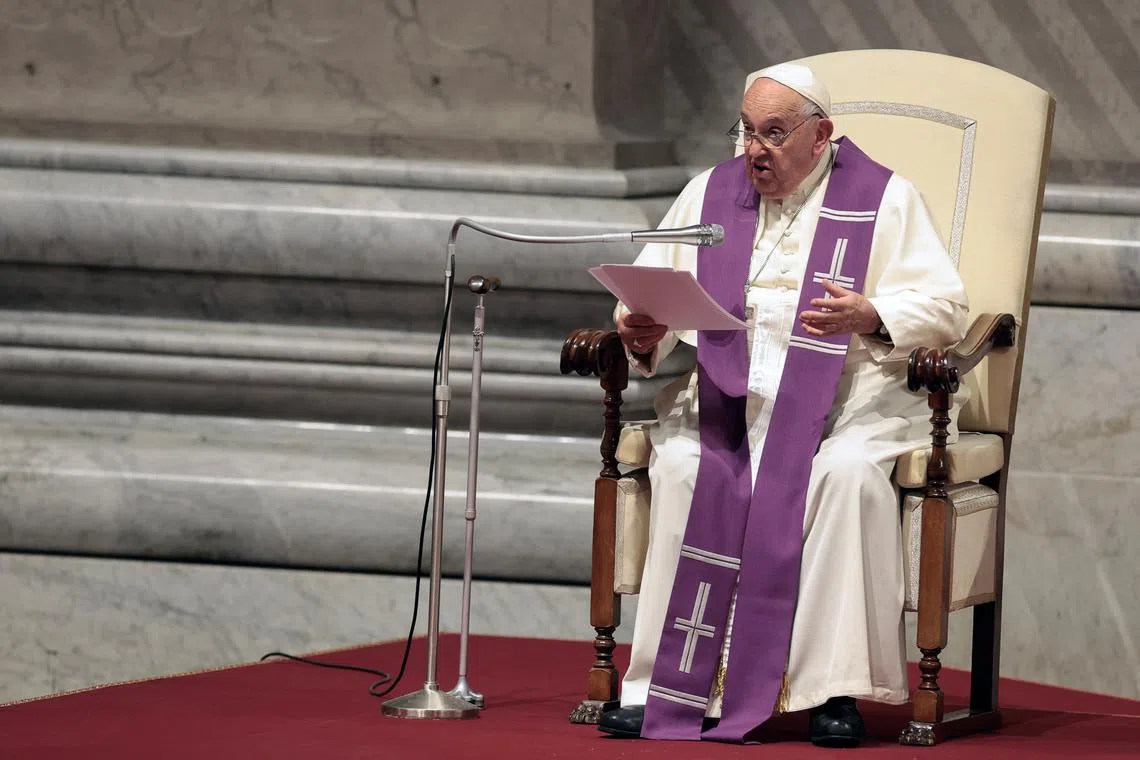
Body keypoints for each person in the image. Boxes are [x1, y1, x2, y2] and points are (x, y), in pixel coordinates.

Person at [596, 63, 968, 747]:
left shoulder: (883, 199)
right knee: (683, 468)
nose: (754, 151)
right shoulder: (710, 192)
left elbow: (946, 307)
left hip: (849, 401)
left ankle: (832, 693)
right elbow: (654, 289)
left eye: (773, 133)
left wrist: (872, 312)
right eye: (746, 132)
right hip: (734, 398)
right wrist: (640, 328)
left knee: (845, 477)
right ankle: (673, 687)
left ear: (821, 134)